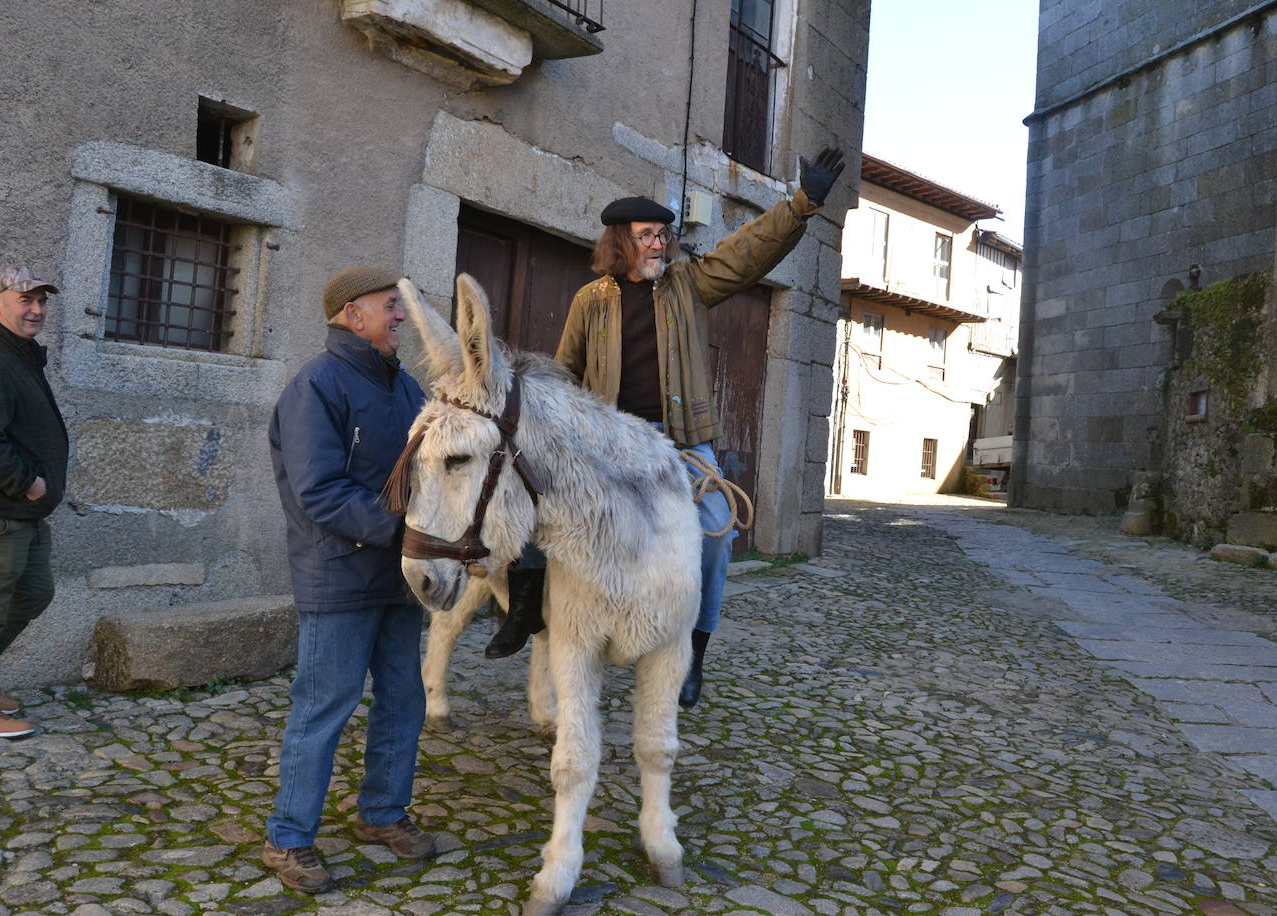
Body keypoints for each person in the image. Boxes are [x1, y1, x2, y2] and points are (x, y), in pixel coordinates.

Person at [486, 148, 845, 708]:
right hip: (607, 440)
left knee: (717, 529)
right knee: (536, 502)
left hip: (680, 440)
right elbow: (563, 373)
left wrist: (802, 205)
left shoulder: (688, 286)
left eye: (663, 235)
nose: (660, 243)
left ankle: (694, 650)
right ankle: (526, 610)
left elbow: (749, 253)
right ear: (620, 243)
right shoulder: (589, 302)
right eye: (648, 235)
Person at [264, 267, 432, 893]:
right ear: (350, 315)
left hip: (399, 574)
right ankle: (289, 837)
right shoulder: (317, 385)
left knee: (403, 701)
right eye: (390, 307)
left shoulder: (408, 386)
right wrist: (407, 531)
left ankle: (382, 814)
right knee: (323, 707)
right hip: (336, 574)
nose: (400, 318)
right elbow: (319, 492)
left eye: (399, 308)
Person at [0, 266, 68, 740]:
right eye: (25, 299)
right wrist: (27, 483)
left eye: (42, 300)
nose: (36, 309)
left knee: (35, 592)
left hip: (25, 511)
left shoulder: (18, 353)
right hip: (1, 510)